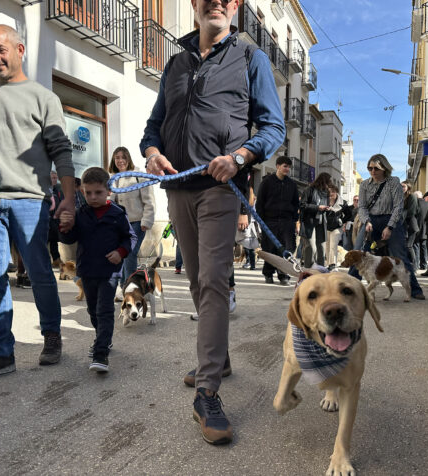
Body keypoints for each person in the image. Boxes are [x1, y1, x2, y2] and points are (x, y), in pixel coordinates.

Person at [139, 0, 285, 445]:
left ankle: (208, 391)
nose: (216, 2)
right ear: (195, 6)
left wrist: (241, 156)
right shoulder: (177, 63)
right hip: (177, 187)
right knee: (199, 282)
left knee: (216, 281)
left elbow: (273, 127)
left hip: (222, 187)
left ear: (235, 7)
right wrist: (150, 152)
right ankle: (217, 359)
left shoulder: (250, 57)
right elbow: (154, 124)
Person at [0, 25, 76, 384]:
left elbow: (61, 151)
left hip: (30, 201)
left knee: (39, 274)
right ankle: (0, 354)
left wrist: (68, 199)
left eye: (2, 49)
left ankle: (51, 336)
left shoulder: (43, 98)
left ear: (20, 49)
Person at [59, 167, 136, 372]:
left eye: (98, 192)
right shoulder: (80, 213)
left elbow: (130, 238)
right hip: (87, 270)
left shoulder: (118, 214)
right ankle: (103, 338)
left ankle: (101, 352)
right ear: (82, 192)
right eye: (88, 193)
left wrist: (121, 251)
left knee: (104, 311)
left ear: (109, 191)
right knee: (93, 311)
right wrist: (64, 227)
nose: (92, 197)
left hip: (109, 272)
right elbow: (69, 238)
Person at [350, 154, 425, 299]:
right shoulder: (365, 184)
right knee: (359, 253)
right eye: (369, 168)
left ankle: (415, 290)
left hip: (391, 220)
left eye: (376, 168)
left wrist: (389, 227)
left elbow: (398, 206)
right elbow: (363, 207)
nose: (372, 171)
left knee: (400, 256)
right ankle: (350, 288)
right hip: (371, 221)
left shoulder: (393, 182)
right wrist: (367, 221)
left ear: (384, 168)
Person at [109, 146, 155, 294]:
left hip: (136, 222)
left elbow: (149, 200)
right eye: (117, 158)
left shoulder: (139, 175)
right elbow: (111, 202)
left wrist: (147, 221)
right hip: (119, 224)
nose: (120, 160)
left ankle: (130, 288)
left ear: (128, 159)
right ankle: (124, 287)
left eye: (123, 157)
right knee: (121, 254)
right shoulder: (113, 178)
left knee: (130, 253)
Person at [256, 156, 299, 285]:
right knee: (269, 249)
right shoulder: (266, 182)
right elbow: (260, 203)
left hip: (287, 222)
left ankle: (283, 274)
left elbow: (295, 203)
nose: (287, 169)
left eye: (289, 167)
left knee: (286, 249)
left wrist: (294, 220)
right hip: (270, 221)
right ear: (278, 166)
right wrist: (261, 221)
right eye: (285, 166)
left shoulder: (292, 184)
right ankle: (268, 273)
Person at [298, 172, 332, 267]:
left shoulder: (326, 192)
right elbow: (302, 205)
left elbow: (327, 206)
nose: (329, 184)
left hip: (321, 222)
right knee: (311, 248)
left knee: (322, 248)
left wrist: (328, 209)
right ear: (323, 181)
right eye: (328, 182)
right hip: (309, 222)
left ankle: (320, 270)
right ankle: (308, 270)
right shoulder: (309, 190)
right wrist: (317, 207)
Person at [324, 184, 347, 270]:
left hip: (337, 227)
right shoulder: (325, 201)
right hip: (326, 226)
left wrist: (342, 221)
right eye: (329, 192)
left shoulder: (343, 203)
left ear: (336, 192)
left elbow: (349, 214)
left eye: (333, 191)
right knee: (327, 245)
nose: (331, 194)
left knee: (333, 245)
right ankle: (329, 264)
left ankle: (333, 264)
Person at [401, 181, 420, 269]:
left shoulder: (412, 196)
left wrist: (400, 215)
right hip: (404, 225)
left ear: (408, 187)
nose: (401, 188)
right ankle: (409, 266)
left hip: (411, 225)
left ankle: (414, 267)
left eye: (403, 186)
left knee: (409, 246)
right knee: (406, 246)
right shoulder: (402, 197)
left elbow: (412, 212)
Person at [413, 190, 428, 270]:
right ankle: (424, 265)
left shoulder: (414, 204)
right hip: (426, 229)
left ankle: (416, 265)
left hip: (416, 228)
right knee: (424, 247)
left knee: (416, 246)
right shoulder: (427, 204)